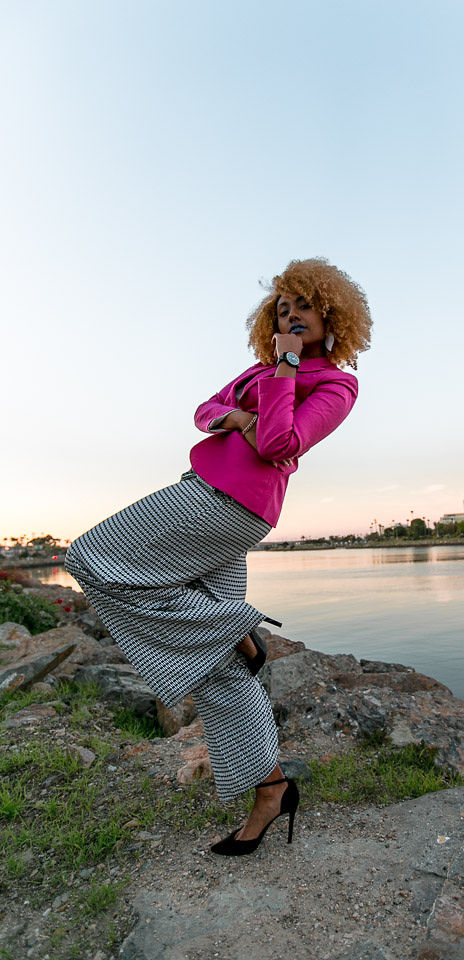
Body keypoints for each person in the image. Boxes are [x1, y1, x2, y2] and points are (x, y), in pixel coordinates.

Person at [65, 257, 371, 856]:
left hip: (228, 505)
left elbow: (281, 442)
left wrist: (279, 379)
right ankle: (271, 788)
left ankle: (236, 627)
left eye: (302, 306)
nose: (290, 315)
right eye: (282, 308)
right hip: (210, 490)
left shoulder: (335, 385)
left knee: (90, 556)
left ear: (330, 315)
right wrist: (239, 417)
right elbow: (205, 413)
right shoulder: (257, 371)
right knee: (221, 671)